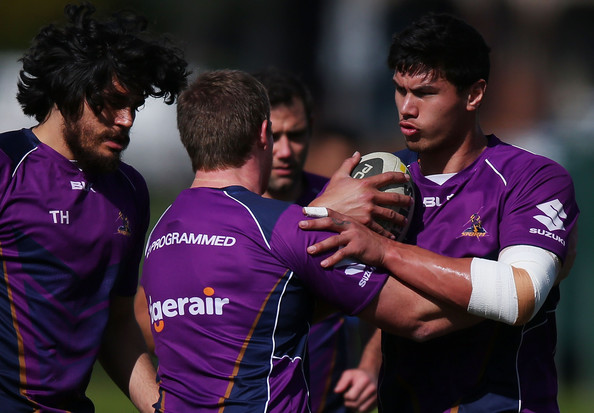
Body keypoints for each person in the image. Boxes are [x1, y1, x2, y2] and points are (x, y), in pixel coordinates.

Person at [140, 69, 482, 412]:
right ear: (264, 134)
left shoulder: (161, 232)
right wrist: (503, 294)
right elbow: (418, 317)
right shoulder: (278, 225)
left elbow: (257, 311)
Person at [299, 13, 579, 412]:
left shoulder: (531, 177)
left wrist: (384, 252)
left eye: (426, 93)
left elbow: (520, 295)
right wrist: (320, 211)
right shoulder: (375, 182)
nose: (406, 108)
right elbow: (300, 298)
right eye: (400, 90)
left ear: (474, 94)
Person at [0, 3, 188, 412]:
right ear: (69, 90)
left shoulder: (129, 189)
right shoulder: (7, 164)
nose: (127, 119)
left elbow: (117, 323)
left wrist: (161, 408)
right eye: (113, 102)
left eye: (135, 105)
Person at [252, 67, 379, 413]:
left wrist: (370, 366)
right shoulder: (226, 211)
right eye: (274, 136)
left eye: (296, 135)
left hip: (330, 400)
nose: (285, 150)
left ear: (311, 129)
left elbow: (387, 287)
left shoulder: (348, 205)